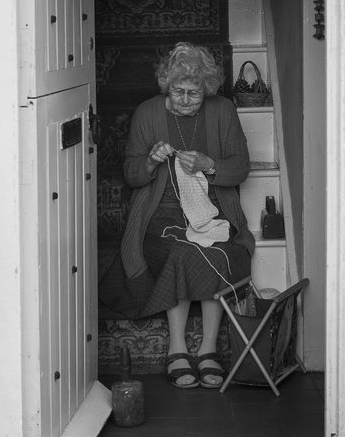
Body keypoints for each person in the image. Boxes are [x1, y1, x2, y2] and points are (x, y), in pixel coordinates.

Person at [100, 42, 254, 389]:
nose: (185, 99)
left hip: (212, 208)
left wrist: (209, 165)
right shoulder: (148, 113)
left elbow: (241, 166)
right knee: (182, 248)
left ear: (207, 90)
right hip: (160, 212)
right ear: (166, 86)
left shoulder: (223, 110)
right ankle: (177, 347)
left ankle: (209, 349)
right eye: (177, 92)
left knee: (218, 248)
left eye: (194, 94)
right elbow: (131, 174)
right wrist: (151, 161)